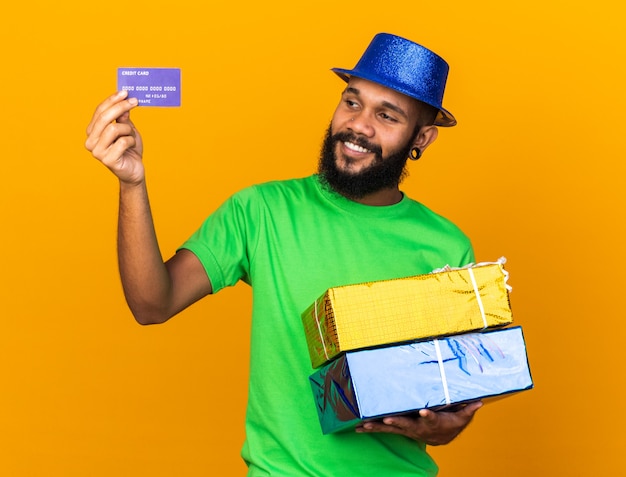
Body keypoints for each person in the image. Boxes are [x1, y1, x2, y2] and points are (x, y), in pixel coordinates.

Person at [85, 33, 483, 476]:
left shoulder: (447, 247)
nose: (359, 126)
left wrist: (442, 426)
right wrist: (132, 184)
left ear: (422, 138)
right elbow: (151, 303)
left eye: (387, 116)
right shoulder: (261, 211)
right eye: (352, 102)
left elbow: (452, 404)